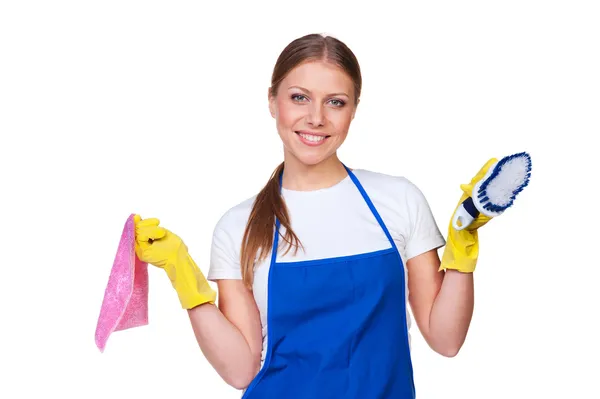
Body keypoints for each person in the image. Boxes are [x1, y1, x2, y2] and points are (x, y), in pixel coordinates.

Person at [133, 33, 495, 398]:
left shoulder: (398, 200)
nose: (316, 118)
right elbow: (241, 369)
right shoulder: (238, 226)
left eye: (335, 102)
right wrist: (184, 275)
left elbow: (446, 339)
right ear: (273, 102)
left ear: (354, 110)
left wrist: (462, 246)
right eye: (299, 98)